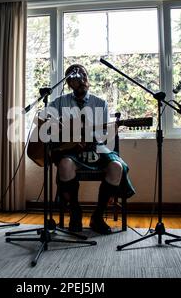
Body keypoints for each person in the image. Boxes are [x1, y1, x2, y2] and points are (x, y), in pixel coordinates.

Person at [47, 64, 136, 235]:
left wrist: (96, 137)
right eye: (75, 76)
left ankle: (97, 216)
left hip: (97, 148)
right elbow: (47, 126)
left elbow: (104, 133)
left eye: (84, 74)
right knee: (64, 165)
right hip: (70, 151)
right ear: (69, 83)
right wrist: (67, 137)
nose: (81, 78)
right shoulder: (59, 102)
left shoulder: (100, 103)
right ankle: (75, 212)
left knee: (116, 167)